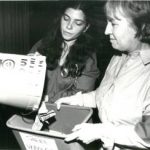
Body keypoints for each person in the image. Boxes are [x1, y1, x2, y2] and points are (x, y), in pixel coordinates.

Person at [56, 0, 150, 150]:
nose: (106, 31)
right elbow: (103, 95)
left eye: (113, 23)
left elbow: (148, 133)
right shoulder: (118, 57)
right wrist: (76, 100)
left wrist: (102, 130)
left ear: (141, 26)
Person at [29, 2, 100, 103]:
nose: (69, 26)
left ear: (86, 27)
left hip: (67, 113)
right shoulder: (42, 44)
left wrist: (47, 99)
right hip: (37, 109)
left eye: (78, 23)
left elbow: (81, 95)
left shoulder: (89, 57)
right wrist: (29, 67)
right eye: (66, 19)